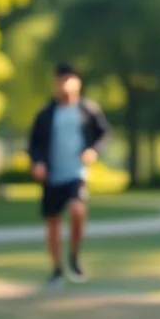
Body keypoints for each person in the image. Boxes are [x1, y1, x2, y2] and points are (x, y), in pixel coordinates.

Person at [26, 62, 110, 286]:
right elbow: (33, 144)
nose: (64, 84)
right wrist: (37, 163)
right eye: (60, 80)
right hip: (52, 175)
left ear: (77, 82)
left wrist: (93, 150)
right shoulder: (46, 114)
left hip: (76, 172)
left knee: (77, 208)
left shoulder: (87, 110)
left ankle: (74, 256)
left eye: (68, 79)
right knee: (52, 222)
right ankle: (56, 268)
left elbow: (103, 135)